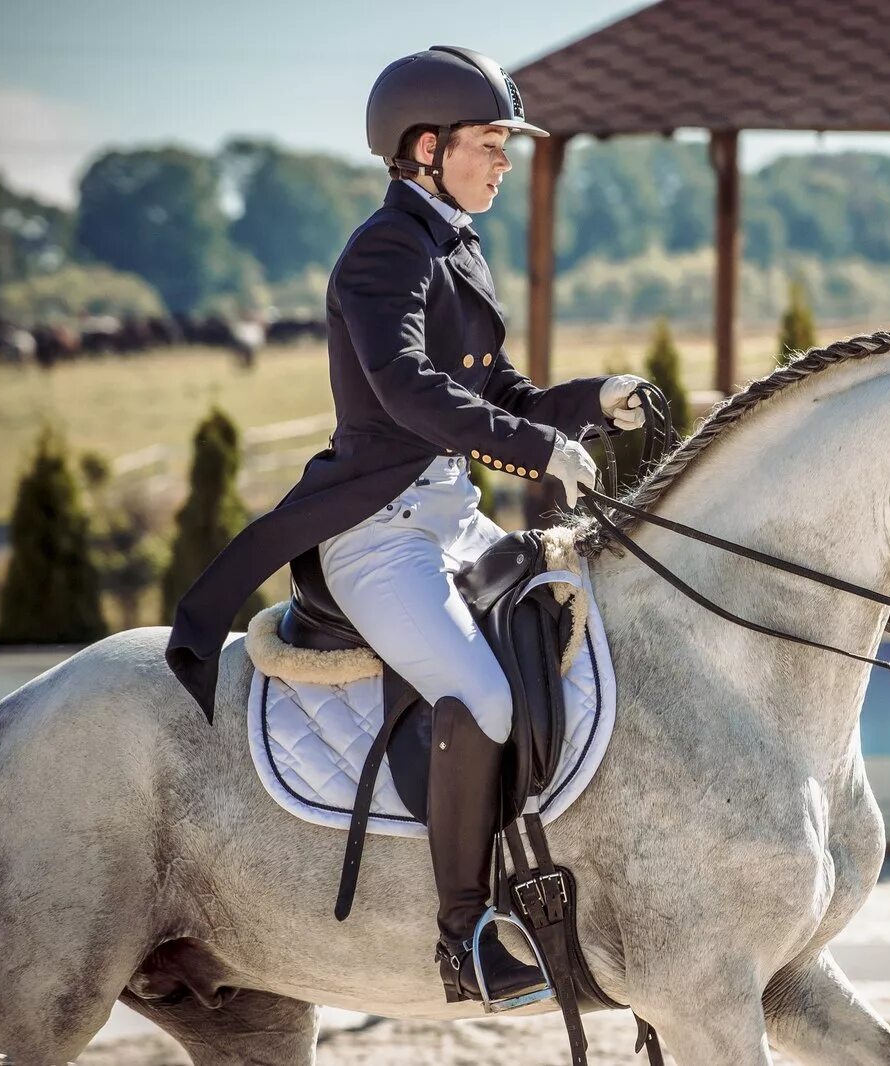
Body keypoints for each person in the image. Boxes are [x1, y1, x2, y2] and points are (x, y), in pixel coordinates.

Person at [164, 44, 647, 1006]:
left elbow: (497, 391)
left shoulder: (454, 244)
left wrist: (594, 399)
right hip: (378, 534)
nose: (506, 159)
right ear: (425, 147)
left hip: (453, 522)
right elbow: (411, 391)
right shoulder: (385, 251)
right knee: (484, 695)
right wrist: (539, 448)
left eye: (508, 142)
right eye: (490, 141)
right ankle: (463, 936)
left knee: (582, 633)